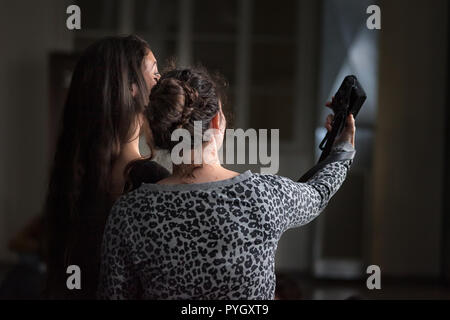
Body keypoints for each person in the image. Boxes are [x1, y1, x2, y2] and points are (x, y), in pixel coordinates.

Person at [97, 67, 356, 299]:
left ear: (157, 130)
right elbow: (319, 192)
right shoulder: (263, 196)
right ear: (216, 121)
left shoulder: (129, 213)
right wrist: (342, 144)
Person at [43, 35, 169, 299]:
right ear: (132, 87)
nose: (161, 83)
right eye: (155, 73)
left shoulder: (72, 176)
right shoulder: (153, 181)